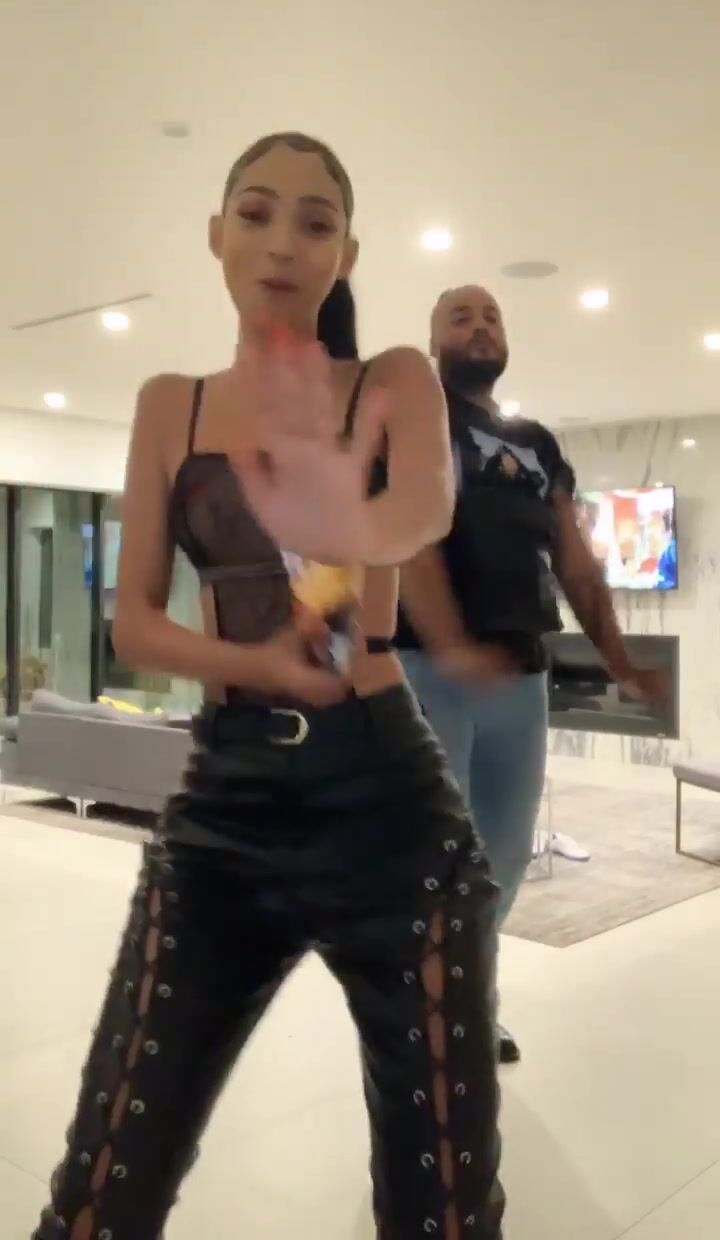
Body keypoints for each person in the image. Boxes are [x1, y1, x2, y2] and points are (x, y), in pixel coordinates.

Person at [34, 139, 505, 1240]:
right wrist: (257, 665)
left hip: (388, 804)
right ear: (217, 235)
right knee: (99, 1192)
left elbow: (426, 504)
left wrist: (347, 522)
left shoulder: (390, 378)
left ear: (347, 253)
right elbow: (134, 622)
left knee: (445, 1211)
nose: (283, 242)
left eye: (315, 221)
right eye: (255, 213)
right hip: (224, 805)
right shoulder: (172, 404)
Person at [397, 285, 665, 1064]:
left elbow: (575, 561)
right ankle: (421, 1013)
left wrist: (620, 661)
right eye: (461, 317)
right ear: (433, 340)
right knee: (437, 856)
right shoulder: (414, 419)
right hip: (427, 670)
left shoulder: (537, 443)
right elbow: (409, 539)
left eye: (492, 316)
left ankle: (468, 1001)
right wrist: (450, 644)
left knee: (506, 853)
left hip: (518, 675)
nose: (480, 326)